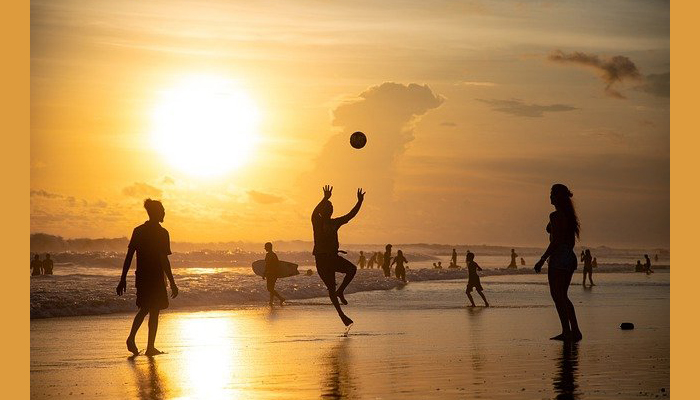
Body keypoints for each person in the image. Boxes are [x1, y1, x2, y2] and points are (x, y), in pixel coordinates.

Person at [117, 199, 178, 356]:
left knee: (149, 309)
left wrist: (123, 278)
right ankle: (135, 340)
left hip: (146, 277)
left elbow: (129, 257)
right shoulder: (161, 233)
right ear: (156, 212)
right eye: (162, 210)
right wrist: (172, 282)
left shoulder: (139, 231)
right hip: (154, 277)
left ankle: (149, 346)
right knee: (149, 309)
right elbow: (164, 260)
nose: (164, 213)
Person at [534, 184, 582, 342]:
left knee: (557, 296)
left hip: (559, 258)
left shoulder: (555, 216)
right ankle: (574, 330)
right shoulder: (568, 216)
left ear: (557, 197)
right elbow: (564, 238)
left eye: (551, 194)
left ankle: (566, 332)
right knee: (563, 296)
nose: (549, 196)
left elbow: (555, 242)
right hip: (569, 257)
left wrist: (542, 259)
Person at [311, 185, 364, 326]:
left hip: (333, 258)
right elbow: (314, 212)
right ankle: (341, 314)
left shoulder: (335, 222)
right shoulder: (317, 222)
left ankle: (341, 291)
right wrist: (324, 198)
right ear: (323, 211)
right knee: (331, 288)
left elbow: (350, 215)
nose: (331, 208)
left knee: (352, 270)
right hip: (321, 260)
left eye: (331, 207)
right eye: (328, 207)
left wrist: (359, 201)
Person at [262, 242, 285, 306]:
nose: (265, 249)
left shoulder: (268, 255)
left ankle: (281, 298)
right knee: (271, 288)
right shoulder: (274, 255)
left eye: (266, 247)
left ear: (268, 248)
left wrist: (264, 273)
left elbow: (267, 265)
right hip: (275, 274)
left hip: (270, 274)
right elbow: (277, 264)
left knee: (269, 288)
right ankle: (271, 301)